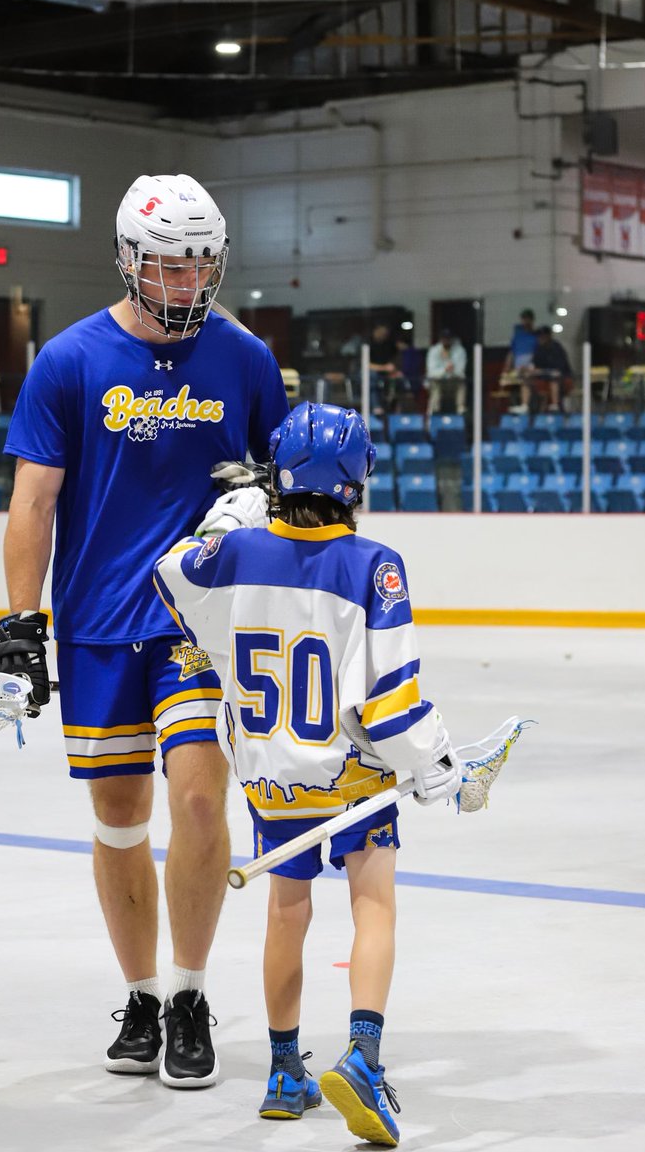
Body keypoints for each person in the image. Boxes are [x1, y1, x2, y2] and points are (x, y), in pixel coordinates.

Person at [0, 172, 289, 1088]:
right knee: (120, 821)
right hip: (96, 624)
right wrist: (18, 622)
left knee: (201, 800)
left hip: (199, 627)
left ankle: (194, 995)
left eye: (200, 262)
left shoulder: (246, 360)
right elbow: (33, 501)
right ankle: (144, 995)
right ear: (127, 259)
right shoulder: (69, 360)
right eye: (167, 262)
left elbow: (289, 494)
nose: (185, 280)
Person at [153, 402, 461, 1144]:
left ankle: (285, 1073)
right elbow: (390, 707)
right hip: (354, 780)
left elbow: (169, 576)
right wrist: (437, 763)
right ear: (357, 481)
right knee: (374, 903)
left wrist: (227, 522)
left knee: (287, 914)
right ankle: (363, 1057)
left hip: (271, 781)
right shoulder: (375, 565)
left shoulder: (233, 555)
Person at [512, 326, 573, 414]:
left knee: (554, 378)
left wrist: (541, 371)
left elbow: (558, 369)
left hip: (562, 378)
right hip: (544, 377)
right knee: (526, 377)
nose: (540, 338)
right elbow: (534, 365)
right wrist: (527, 369)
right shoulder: (538, 349)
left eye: (542, 336)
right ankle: (524, 406)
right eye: (539, 336)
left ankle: (555, 405)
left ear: (548, 336)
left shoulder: (556, 347)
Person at [424, 329, 467, 415]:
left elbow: (460, 372)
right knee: (435, 385)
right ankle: (434, 412)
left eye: (448, 338)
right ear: (440, 339)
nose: (446, 340)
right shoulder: (434, 351)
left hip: (453, 382)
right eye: (444, 338)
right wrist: (445, 370)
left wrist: (451, 370)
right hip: (438, 381)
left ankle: (460, 411)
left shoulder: (459, 350)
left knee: (461, 383)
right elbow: (432, 372)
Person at [504, 308, 538, 375]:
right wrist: (507, 366)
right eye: (524, 319)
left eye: (528, 318)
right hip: (518, 367)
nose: (526, 321)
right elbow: (512, 352)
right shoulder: (517, 336)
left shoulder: (537, 335)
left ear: (532, 320)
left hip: (532, 367)